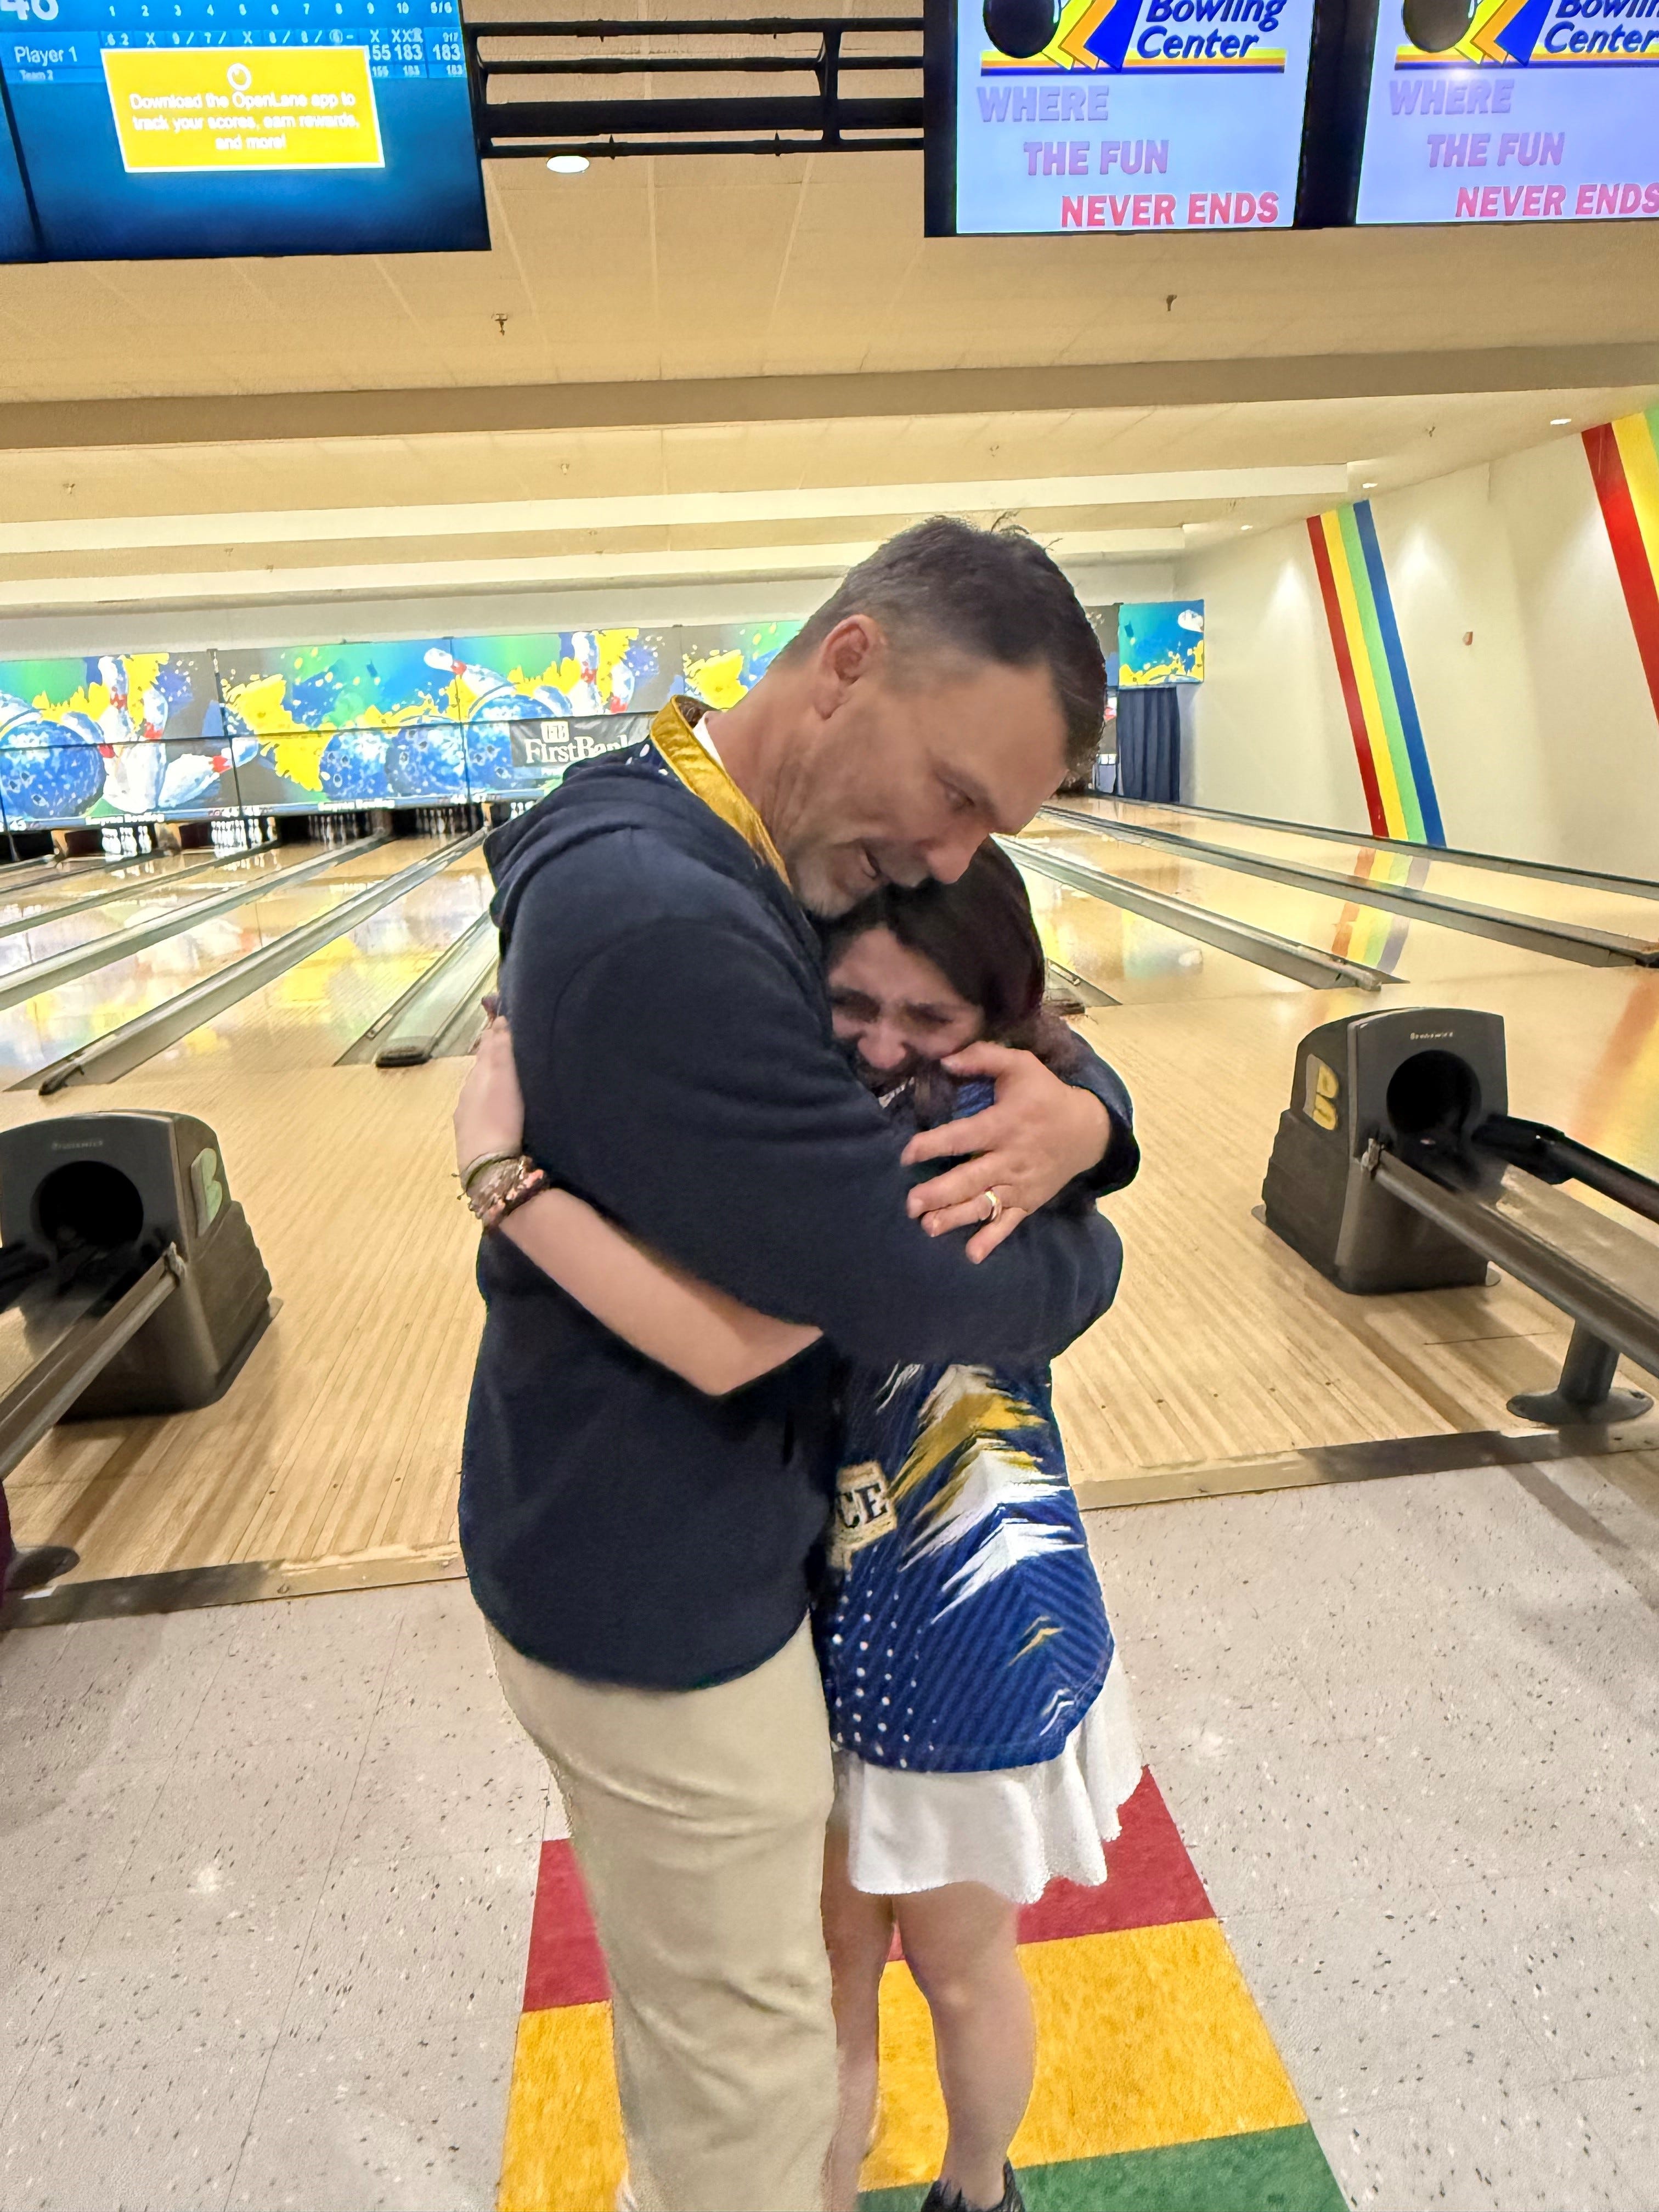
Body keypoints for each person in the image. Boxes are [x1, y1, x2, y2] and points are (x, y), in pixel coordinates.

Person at [457, 518, 1133, 2212]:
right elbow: (900, 1283)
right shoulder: (668, 918)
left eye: (993, 827)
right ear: (848, 662)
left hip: (683, 1543)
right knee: (755, 2068)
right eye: (959, 791)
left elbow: (1022, 1035)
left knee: (710, 2029)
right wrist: (1095, 1224)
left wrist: (1092, 1118)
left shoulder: (697, 824)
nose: (947, 850)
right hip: (660, 1592)